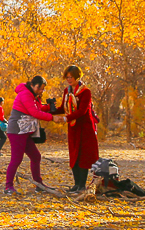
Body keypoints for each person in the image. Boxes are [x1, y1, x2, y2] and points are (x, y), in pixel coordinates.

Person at [4, 75, 67, 196]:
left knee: (36, 156)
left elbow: (37, 108)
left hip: (25, 131)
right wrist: (53, 118)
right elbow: (34, 112)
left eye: (43, 89)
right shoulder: (25, 94)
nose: (41, 91)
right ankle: (8, 186)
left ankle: (39, 184)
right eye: (39, 88)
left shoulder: (33, 96)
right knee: (16, 159)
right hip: (17, 130)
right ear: (32, 85)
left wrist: (49, 107)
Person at [55, 64, 99, 194]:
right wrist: (48, 109)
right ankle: (76, 184)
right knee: (74, 154)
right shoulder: (66, 91)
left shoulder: (86, 91)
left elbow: (82, 111)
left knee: (83, 155)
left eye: (71, 77)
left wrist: (65, 119)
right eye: (67, 77)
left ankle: (81, 184)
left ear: (77, 77)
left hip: (85, 127)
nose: (69, 79)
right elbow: (63, 108)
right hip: (73, 127)